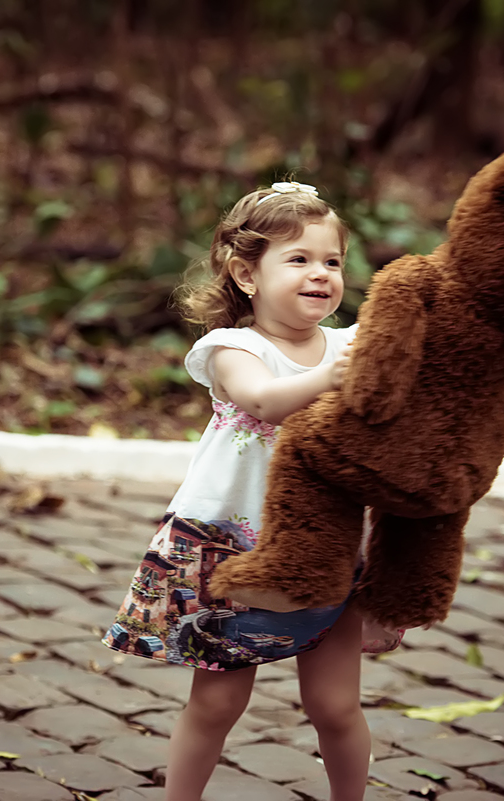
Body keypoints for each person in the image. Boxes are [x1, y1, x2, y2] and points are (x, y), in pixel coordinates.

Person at [101, 181, 402, 801]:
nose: (320, 274)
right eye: (298, 259)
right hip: (233, 554)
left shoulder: (351, 345)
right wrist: (331, 375)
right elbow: (264, 401)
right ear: (246, 273)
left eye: (332, 261)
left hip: (333, 552)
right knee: (216, 704)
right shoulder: (234, 348)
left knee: (336, 706)